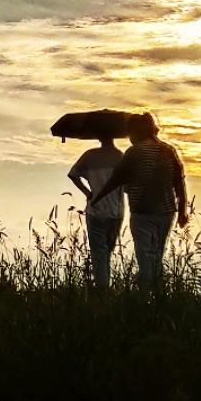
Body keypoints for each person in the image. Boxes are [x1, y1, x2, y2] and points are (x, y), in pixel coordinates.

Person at [91, 112, 188, 288]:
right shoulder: (168, 150)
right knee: (157, 254)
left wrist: (97, 198)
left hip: (143, 212)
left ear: (137, 132)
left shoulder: (134, 152)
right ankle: (158, 294)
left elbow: (116, 179)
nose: (129, 137)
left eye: (130, 133)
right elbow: (179, 182)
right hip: (166, 213)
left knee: (144, 256)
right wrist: (182, 212)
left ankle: (145, 297)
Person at [67, 120, 125, 288]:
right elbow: (127, 186)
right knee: (107, 252)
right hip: (116, 212)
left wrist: (87, 193)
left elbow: (73, 174)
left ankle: (102, 291)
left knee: (99, 253)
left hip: (96, 211)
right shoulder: (120, 157)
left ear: (98, 136)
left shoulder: (90, 155)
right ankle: (105, 288)